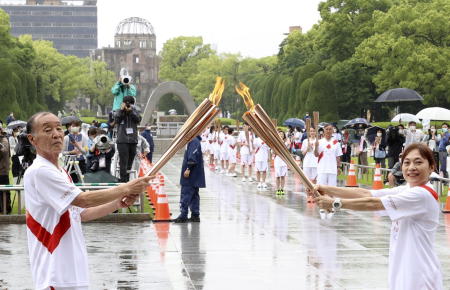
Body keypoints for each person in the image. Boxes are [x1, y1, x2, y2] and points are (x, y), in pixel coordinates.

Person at [23, 112, 152, 289]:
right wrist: (126, 187)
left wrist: (117, 203)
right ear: (32, 139)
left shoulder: (60, 171)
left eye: (59, 128)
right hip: (54, 274)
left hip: (72, 273)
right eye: (47, 130)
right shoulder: (40, 171)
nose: (56, 134)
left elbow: (81, 214)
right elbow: (83, 200)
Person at [313, 143, 443, 290]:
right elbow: (366, 194)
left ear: (432, 167)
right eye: (406, 163)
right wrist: (324, 188)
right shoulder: (408, 189)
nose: (411, 167)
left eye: (418, 162)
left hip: (419, 276)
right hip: (404, 269)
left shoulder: (422, 194)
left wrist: (334, 203)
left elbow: (373, 203)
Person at [173, 135, 205, 223]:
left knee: (186, 194)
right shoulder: (195, 140)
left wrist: (188, 168)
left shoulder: (193, 141)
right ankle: (195, 215)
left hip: (191, 174)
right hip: (195, 175)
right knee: (194, 195)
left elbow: (192, 156)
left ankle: (183, 215)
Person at [115, 96, 141, 182]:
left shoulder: (135, 111)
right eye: (126, 102)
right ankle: (123, 181)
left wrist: (131, 112)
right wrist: (122, 110)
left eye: (129, 103)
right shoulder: (119, 111)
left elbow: (138, 120)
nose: (127, 105)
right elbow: (117, 120)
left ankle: (127, 179)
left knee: (130, 161)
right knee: (123, 161)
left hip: (133, 140)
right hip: (122, 140)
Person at [302, 127, 318, 201]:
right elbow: (303, 153)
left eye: (313, 131)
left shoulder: (318, 141)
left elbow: (319, 153)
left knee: (314, 180)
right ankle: (308, 196)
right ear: (309, 132)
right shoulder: (305, 141)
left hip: (315, 162)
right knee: (307, 181)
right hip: (307, 162)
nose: (312, 132)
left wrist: (315, 147)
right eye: (311, 131)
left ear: (316, 132)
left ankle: (314, 195)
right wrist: (307, 148)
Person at [274, 130, 289, 195]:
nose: (281, 135)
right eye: (279, 134)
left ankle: (282, 189)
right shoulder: (275, 143)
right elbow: (273, 152)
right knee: (277, 176)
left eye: (282, 134)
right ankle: (278, 189)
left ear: (284, 136)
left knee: (283, 176)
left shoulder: (286, 143)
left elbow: (287, 151)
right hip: (277, 160)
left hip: (284, 161)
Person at [0, 127, 11, 214]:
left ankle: (6, 209)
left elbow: (4, 151)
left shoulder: (4, 140)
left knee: (4, 192)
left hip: (2, 171)